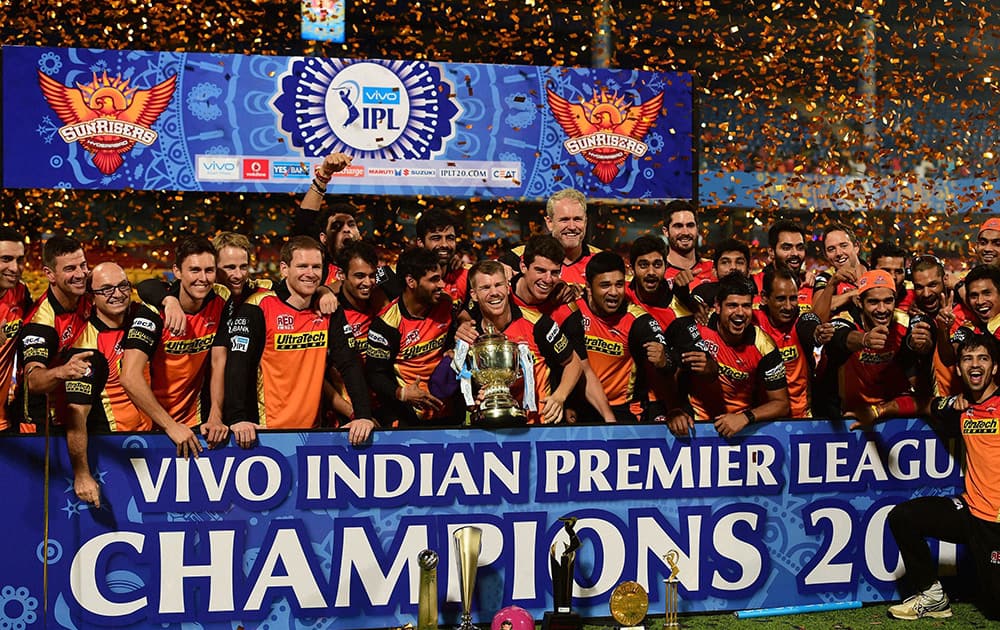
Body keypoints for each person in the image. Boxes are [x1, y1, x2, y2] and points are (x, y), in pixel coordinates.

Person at [882, 333, 1000, 620]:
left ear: (995, 367)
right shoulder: (960, 407)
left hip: (997, 522)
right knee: (903, 516)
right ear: (958, 369)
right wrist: (879, 410)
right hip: (972, 511)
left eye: (983, 358)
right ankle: (933, 596)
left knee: (996, 609)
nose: (975, 365)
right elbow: (922, 404)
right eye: (967, 359)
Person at [224, 236, 375, 446]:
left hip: (313, 434)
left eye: (316, 267)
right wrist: (238, 418)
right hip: (265, 434)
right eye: (302, 266)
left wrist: (363, 415)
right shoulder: (257, 307)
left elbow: (349, 362)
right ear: (284, 269)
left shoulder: (329, 308)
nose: (310, 273)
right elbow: (237, 366)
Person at [121, 236, 228, 458]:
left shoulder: (219, 302)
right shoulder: (153, 312)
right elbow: (129, 377)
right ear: (177, 272)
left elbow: (219, 363)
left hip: (196, 426)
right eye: (195, 270)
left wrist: (216, 416)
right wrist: (170, 425)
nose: (203, 278)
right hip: (151, 427)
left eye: (209, 270)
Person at [63, 263, 151, 507]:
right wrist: (82, 473)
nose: (118, 294)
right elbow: (76, 415)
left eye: (123, 286)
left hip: (153, 445)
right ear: (91, 298)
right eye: (106, 289)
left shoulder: (141, 320)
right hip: (115, 452)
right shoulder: (87, 347)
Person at [668, 272, 790, 438]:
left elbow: (781, 404)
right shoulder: (695, 328)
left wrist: (745, 418)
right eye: (732, 305)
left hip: (739, 429)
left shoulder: (764, 346)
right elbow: (670, 373)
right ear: (718, 307)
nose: (740, 312)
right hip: (695, 427)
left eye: (746, 306)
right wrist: (675, 410)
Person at [464, 260, 581, 424]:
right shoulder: (468, 335)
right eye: (485, 288)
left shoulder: (538, 324)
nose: (494, 292)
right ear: (474, 295)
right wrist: (477, 399)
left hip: (540, 426)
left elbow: (573, 362)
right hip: (492, 427)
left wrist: (559, 396)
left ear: (507, 287)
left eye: (498, 285)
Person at [815, 269, 934, 423]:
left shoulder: (903, 323)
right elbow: (841, 337)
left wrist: (923, 347)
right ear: (859, 302)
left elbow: (914, 362)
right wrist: (864, 339)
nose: (882, 309)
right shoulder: (844, 319)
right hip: (846, 416)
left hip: (887, 414)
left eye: (888, 301)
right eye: (873, 302)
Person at [366, 248, 459, 426]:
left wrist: (455, 349)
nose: (442, 285)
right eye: (434, 279)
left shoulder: (446, 304)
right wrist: (402, 393)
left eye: (440, 278)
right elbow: (375, 375)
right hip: (409, 420)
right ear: (411, 281)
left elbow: (454, 338)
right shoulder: (386, 324)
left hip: (450, 416)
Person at [576, 252, 673, 423]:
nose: (614, 292)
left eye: (619, 284)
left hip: (623, 411)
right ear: (589, 287)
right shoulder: (574, 310)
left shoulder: (638, 320)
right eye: (605, 285)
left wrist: (664, 360)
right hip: (580, 407)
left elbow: (672, 359)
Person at [20, 235, 92, 432]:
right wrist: (63, 371)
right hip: (43, 426)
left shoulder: (87, 289)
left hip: (78, 413)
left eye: (83, 265)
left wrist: (168, 301)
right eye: (70, 269)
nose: (80, 274)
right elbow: (33, 381)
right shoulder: (41, 322)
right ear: (49, 274)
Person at [755, 266, 832, 418]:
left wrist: (817, 335)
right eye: (781, 299)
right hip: (762, 420)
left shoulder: (801, 322)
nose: (789, 306)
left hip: (801, 419)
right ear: (764, 297)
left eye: (793, 298)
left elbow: (811, 328)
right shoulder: (752, 322)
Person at [502, 189, 602, 288]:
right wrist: (498, 270)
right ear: (549, 223)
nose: (572, 227)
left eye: (577, 219)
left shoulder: (602, 261)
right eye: (564, 220)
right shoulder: (518, 257)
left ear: (585, 222)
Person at [0, 227, 32, 433]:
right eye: (5, 259)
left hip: (4, 421)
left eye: (19, 260)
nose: (15, 267)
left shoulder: (20, 292)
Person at [753, 219, 814, 311]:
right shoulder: (753, 285)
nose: (795, 253)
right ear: (771, 252)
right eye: (786, 248)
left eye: (800, 248)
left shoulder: (812, 285)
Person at [812, 223, 867, 322]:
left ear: (856, 247)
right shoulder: (825, 278)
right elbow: (816, 315)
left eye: (844, 246)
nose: (839, 253)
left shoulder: (875, 271)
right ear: (825, 255)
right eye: (831, 249)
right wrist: (850, 295)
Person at [661, 199, 714, 287]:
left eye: (690, 225)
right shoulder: (658, 273)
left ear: (697, 229)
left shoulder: (713, 269)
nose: (685, 232)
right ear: (666, 231)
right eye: (678, 226)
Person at [689, 238, 750, 308]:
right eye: (725, 262)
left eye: (739, 262)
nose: (733, 267)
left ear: (749, 270)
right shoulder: (702, 295)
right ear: (714, 270)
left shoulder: (758, 298)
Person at [871, 242, 914, 310]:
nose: (893, 277)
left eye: (898, 272)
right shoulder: (857, 297)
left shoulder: (916, 294)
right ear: (872, 271)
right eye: (886, 271)